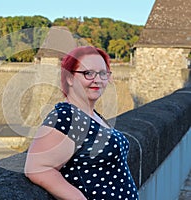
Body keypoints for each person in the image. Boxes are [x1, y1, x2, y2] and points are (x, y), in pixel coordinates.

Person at [24, 46, 139, 200]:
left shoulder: (92, 116)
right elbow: (37, 168)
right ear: (70, 78)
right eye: (88, 73)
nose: (97, 79)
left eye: (103, 73)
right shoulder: (67, 116)